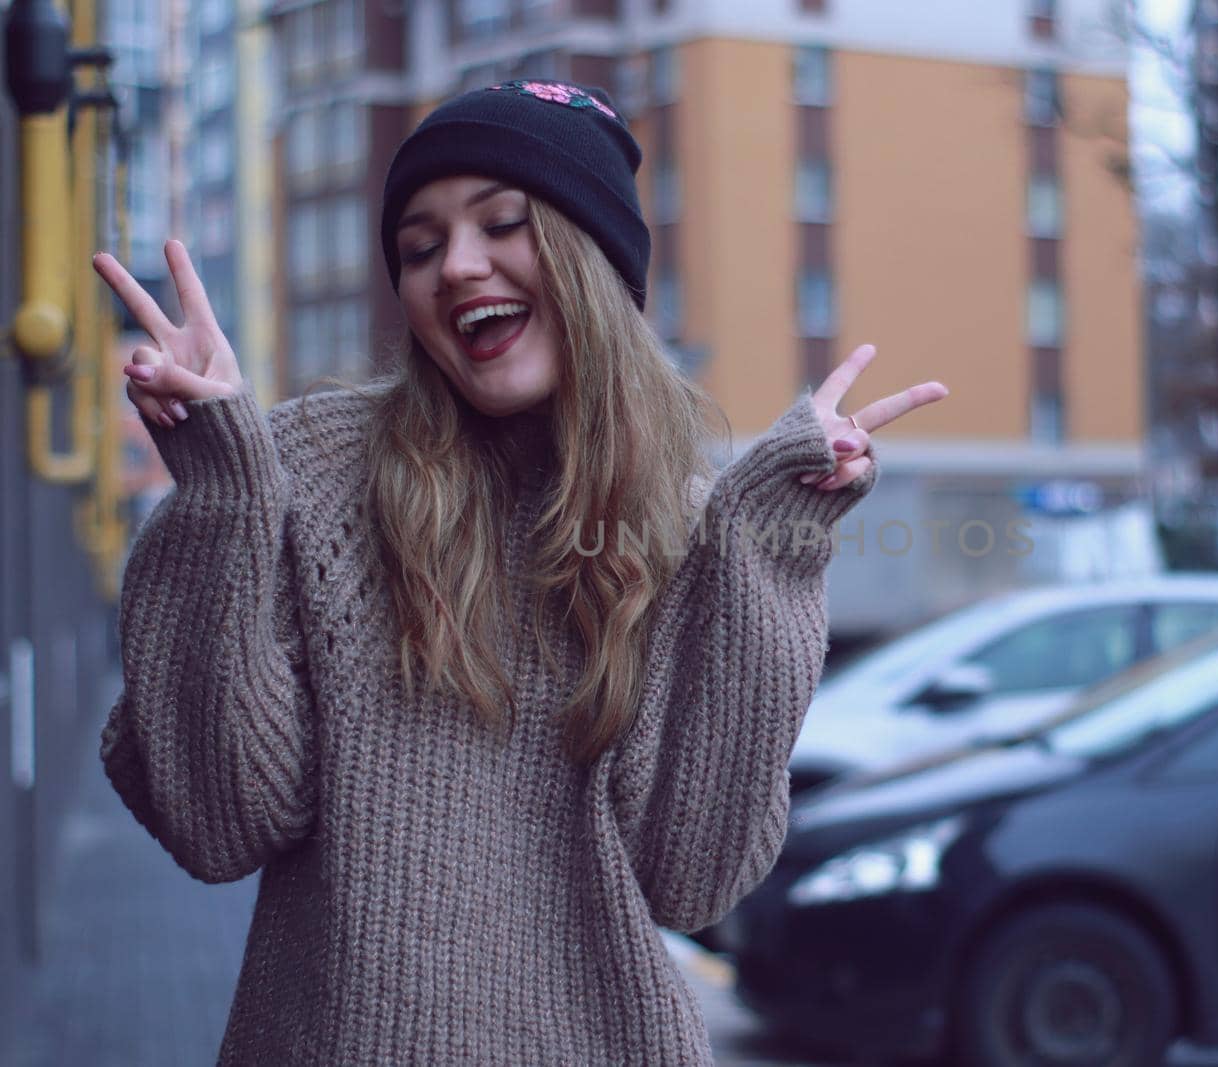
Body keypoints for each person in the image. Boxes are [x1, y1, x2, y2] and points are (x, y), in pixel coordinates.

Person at [91, 79, 948, 1065]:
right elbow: (220, 820)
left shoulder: (692, 523)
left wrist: (772, 547)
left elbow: (690, 878)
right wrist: (217, 495)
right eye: (417, 247)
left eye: (503, 223)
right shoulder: (310, 472)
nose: (455, 266)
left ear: (595, 260)